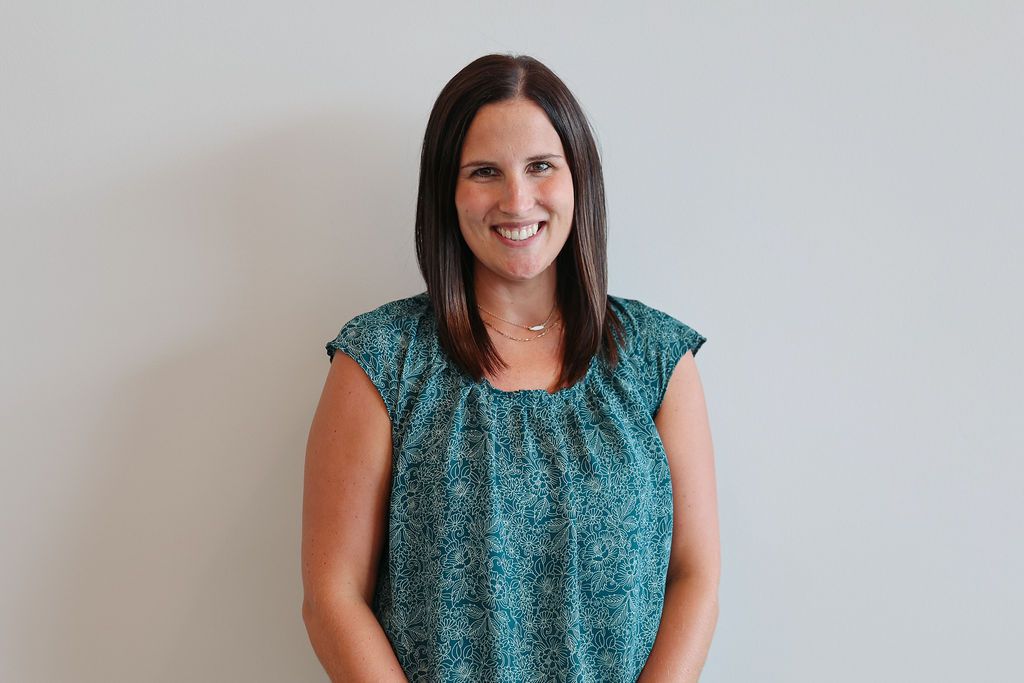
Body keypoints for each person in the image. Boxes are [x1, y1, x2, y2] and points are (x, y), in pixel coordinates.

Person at [301, 54, 719, 682]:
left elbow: (697, 576)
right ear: (447, 190)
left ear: (579, 178)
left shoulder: (657, 358)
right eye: (485, 172)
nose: (516, 199)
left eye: (541, 166)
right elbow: (332, 597)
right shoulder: (381, 359)